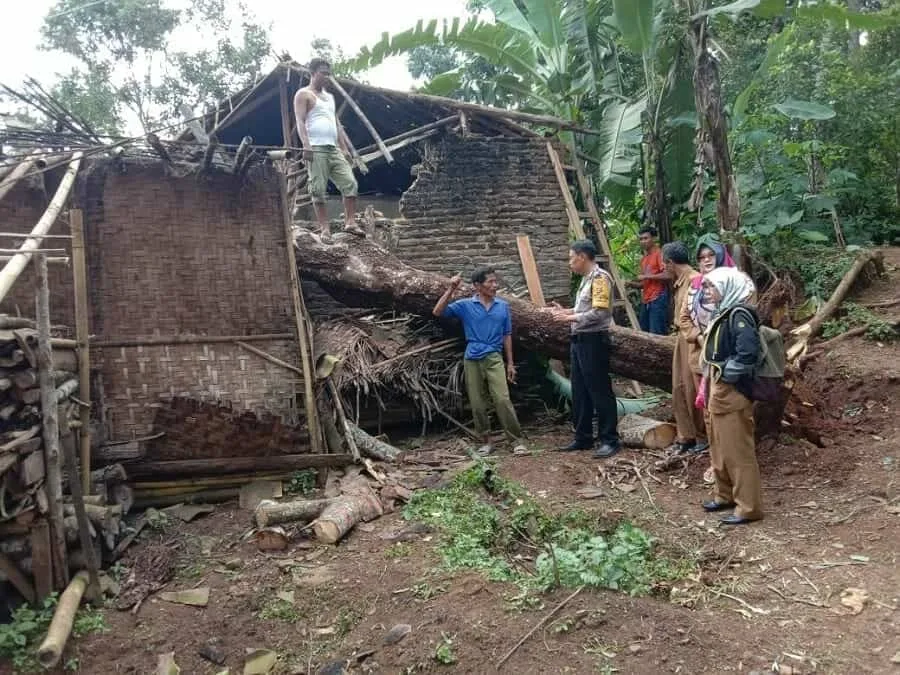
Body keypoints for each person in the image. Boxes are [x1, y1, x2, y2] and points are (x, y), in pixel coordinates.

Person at [432, 266, 525, 455]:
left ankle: (516, 441)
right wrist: (451, 289)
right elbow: (437, 311)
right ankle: (486, 442)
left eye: (495, 281)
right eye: (490, 282)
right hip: (472, 357)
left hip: (494, 357)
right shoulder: (465, 305)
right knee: (477, 402)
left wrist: (510, 363)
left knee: (502, 399)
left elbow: (507, 335)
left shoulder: (502, 306)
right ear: (477, 286)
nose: (495, 285)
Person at [698, 266, 763, 526]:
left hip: (731, 390)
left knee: (737, 449)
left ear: (728, 287)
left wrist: (726, 375)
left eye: (712, 286)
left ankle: (748, 507)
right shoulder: (723, 313)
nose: (708, 291)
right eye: (707, 286)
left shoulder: (739, 315)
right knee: (718, 445)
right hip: (717, 385)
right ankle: (724, 494)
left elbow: (748, 354)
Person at [546, 240, 621, 459]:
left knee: (599, 390)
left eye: (571, 257)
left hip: (594, 340)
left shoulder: (600, 279)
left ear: (582, 256)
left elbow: (599, 313)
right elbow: (584, 309)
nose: (570, 262)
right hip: (579, 339)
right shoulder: (586, 281)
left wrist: (569, 317)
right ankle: (583, 436)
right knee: (580, 389)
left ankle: (610, 439)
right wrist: (566, 312)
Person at [688, 234, 739, 482]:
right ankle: (717, 463)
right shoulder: (696, 284)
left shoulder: (735, 284)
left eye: (711, 256)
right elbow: (686, 318)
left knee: (728, 413)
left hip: (728, 360)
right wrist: (700, 338)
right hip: (704, 357)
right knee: (709, 413)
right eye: (702, 257)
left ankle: (733, 466)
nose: (706, 261)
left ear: (720, 257)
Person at [294, 58, 364, 237]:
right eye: (323, 73)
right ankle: (325, 228)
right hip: (316, 148)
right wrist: (306, 145)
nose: (327, 77)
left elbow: (336, 124)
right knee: (317, 189)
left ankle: (350, 222)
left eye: (328, 73)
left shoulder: (330, 98)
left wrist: (344, 148)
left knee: (350, 183)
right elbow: (300, 121)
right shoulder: (303, 94)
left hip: (333, 149)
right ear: (313, 73)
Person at [663, 241, 707, 455]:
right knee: (679, 387)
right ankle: (686, 435)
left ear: (671, 263)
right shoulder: (682, 281)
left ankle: (702, 436)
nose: (664, 268)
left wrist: (696, 339)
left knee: (693, 388)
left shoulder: (695, 280)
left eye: (665, 264)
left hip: (694, 340)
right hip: (682, 338)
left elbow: (698, 317)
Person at [629, 226, 670, 335]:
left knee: (656, 334)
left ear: (654, 239)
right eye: (641, 239)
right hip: (646, 300)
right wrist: (631, 284)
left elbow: (668, 275)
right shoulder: (644, 259)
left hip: (658, 298)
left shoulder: (660, 254)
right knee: (645, 333)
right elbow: (644, 284)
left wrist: (647, 276)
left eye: (646, 238)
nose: (643, 241)